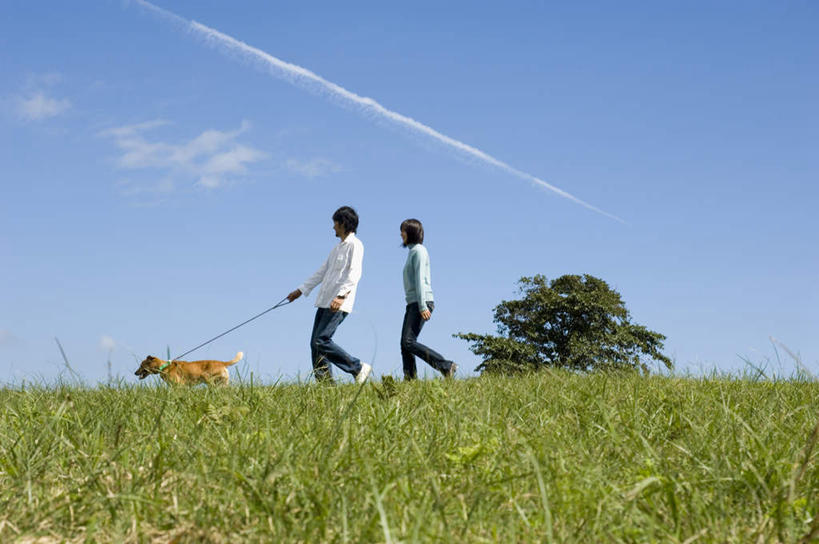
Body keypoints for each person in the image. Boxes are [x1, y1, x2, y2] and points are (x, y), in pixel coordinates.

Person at [287, 206, 372, 384]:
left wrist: (341, 297)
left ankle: (358, 368)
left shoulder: (356, 245)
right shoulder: (336, 249)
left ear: (343, 223)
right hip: (325, 301)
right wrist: (300, 290)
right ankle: (326, 385)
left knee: (321, 340)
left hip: (339, 302)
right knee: (315, 344)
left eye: (335, 223)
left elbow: (354, 274)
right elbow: (321, 272)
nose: (333, 227)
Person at [399, 218, 456, 380]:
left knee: (408, 342)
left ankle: (446, 366)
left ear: (411, 232)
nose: (401, 234)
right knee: (405, 343)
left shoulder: (419, 251)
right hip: (414, 302)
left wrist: (423, 306)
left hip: (420, 302)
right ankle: (410, 380)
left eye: (403, 230)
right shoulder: (413, 252)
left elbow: (420, 279)